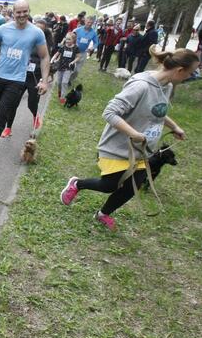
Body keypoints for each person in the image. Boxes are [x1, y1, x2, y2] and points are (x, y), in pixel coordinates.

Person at [60, 47, 198, 230]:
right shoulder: (140, 86)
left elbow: (158, 111)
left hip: (140, 150)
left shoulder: (167, 86)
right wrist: (133, 133)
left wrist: (174, 127)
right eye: (190, 73)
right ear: (180, 70)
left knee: (135, 184)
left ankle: (103, 213)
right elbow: (110, 112)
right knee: (109, 185)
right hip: (118, 146)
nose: (190, 77)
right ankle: (77, 184)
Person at [0, 0, 50, 163]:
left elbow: (45, 56)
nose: (22, 15)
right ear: (13, 12)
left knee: (3, 114)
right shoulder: (3, 29)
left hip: (17, 80)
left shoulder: (36, 32)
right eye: (19, 12)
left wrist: (44, 81)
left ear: (29, 11)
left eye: (25, 11)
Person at [3, 17, 54, 136]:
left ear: (44, 31)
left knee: (32, 103)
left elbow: (45, 60)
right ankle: (8, 128)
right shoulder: (25, 38)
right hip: (20, 76)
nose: (37, 31)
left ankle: (35, 116)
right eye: (35, 27)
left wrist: (43, 80)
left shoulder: (45, 43)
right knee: (13, 103)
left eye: (40, 29)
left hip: (35, 77)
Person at [51, 31, 81, 102]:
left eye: (69, 39)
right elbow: (56, 54)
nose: (67, 41)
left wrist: (73, 62)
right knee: (59, 82)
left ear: (73, 40)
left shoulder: (76, 48)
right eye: (66, 39)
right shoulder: (63, 47)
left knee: (64, 82)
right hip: (60, 66)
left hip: (69, 68)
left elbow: (78, 57)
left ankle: (62, 97)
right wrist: (52, 60)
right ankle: (59, 91)